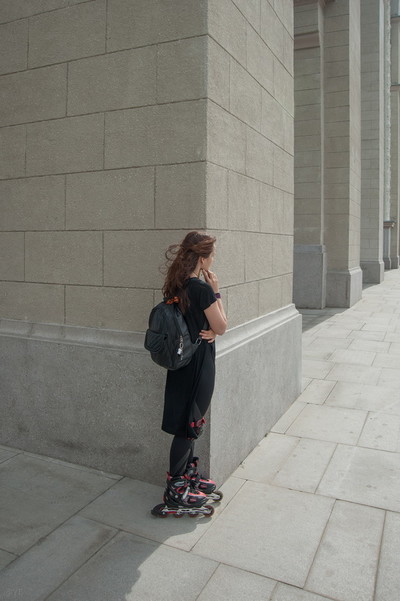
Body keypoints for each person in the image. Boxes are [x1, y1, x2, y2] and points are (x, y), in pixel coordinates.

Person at [159, 231, 227, 512]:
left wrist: (210, 328)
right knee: (190, 424)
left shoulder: (175, 285)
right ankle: (176, 488)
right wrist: (217, 291)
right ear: (202, 258)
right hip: (199, 362)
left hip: (180, 362)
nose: (212, 260)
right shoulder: (201, 289)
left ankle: (187, 477)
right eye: (212, 256)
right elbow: (222, 326)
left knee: (187, 422)